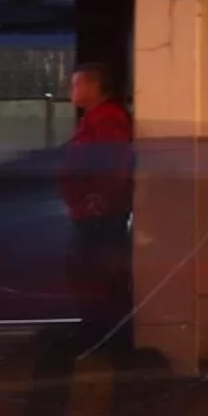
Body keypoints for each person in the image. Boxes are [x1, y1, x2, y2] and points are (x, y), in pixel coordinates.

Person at [58, 61, 135, 353]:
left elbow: (113, 163)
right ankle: (98, 333)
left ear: (93, 86)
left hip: (99, 217)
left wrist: (98, 201)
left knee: (94, 274)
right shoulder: (95, 118)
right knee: (90, 273)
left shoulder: (107, 119)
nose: (72, 91)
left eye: (76, 84)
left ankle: (103, 338)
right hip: (92, 213)